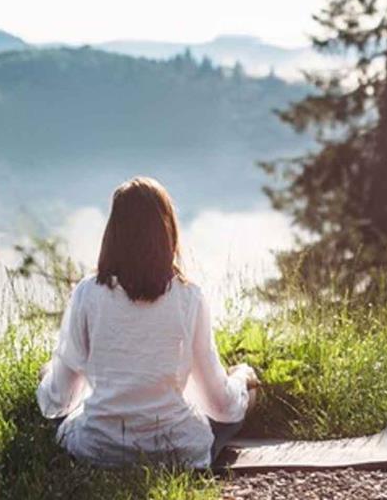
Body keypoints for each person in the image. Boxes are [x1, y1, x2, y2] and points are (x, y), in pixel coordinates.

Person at [36, 176, 260, 468]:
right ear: (168, 232)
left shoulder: (87, 293)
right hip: (176, 450)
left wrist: (48, 378)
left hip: (98, 448)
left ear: (113, 232)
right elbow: (219, 405)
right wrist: (242, 379)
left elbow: (59, 401)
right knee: (243, 394)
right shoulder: (190, 297)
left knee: (52, 380)